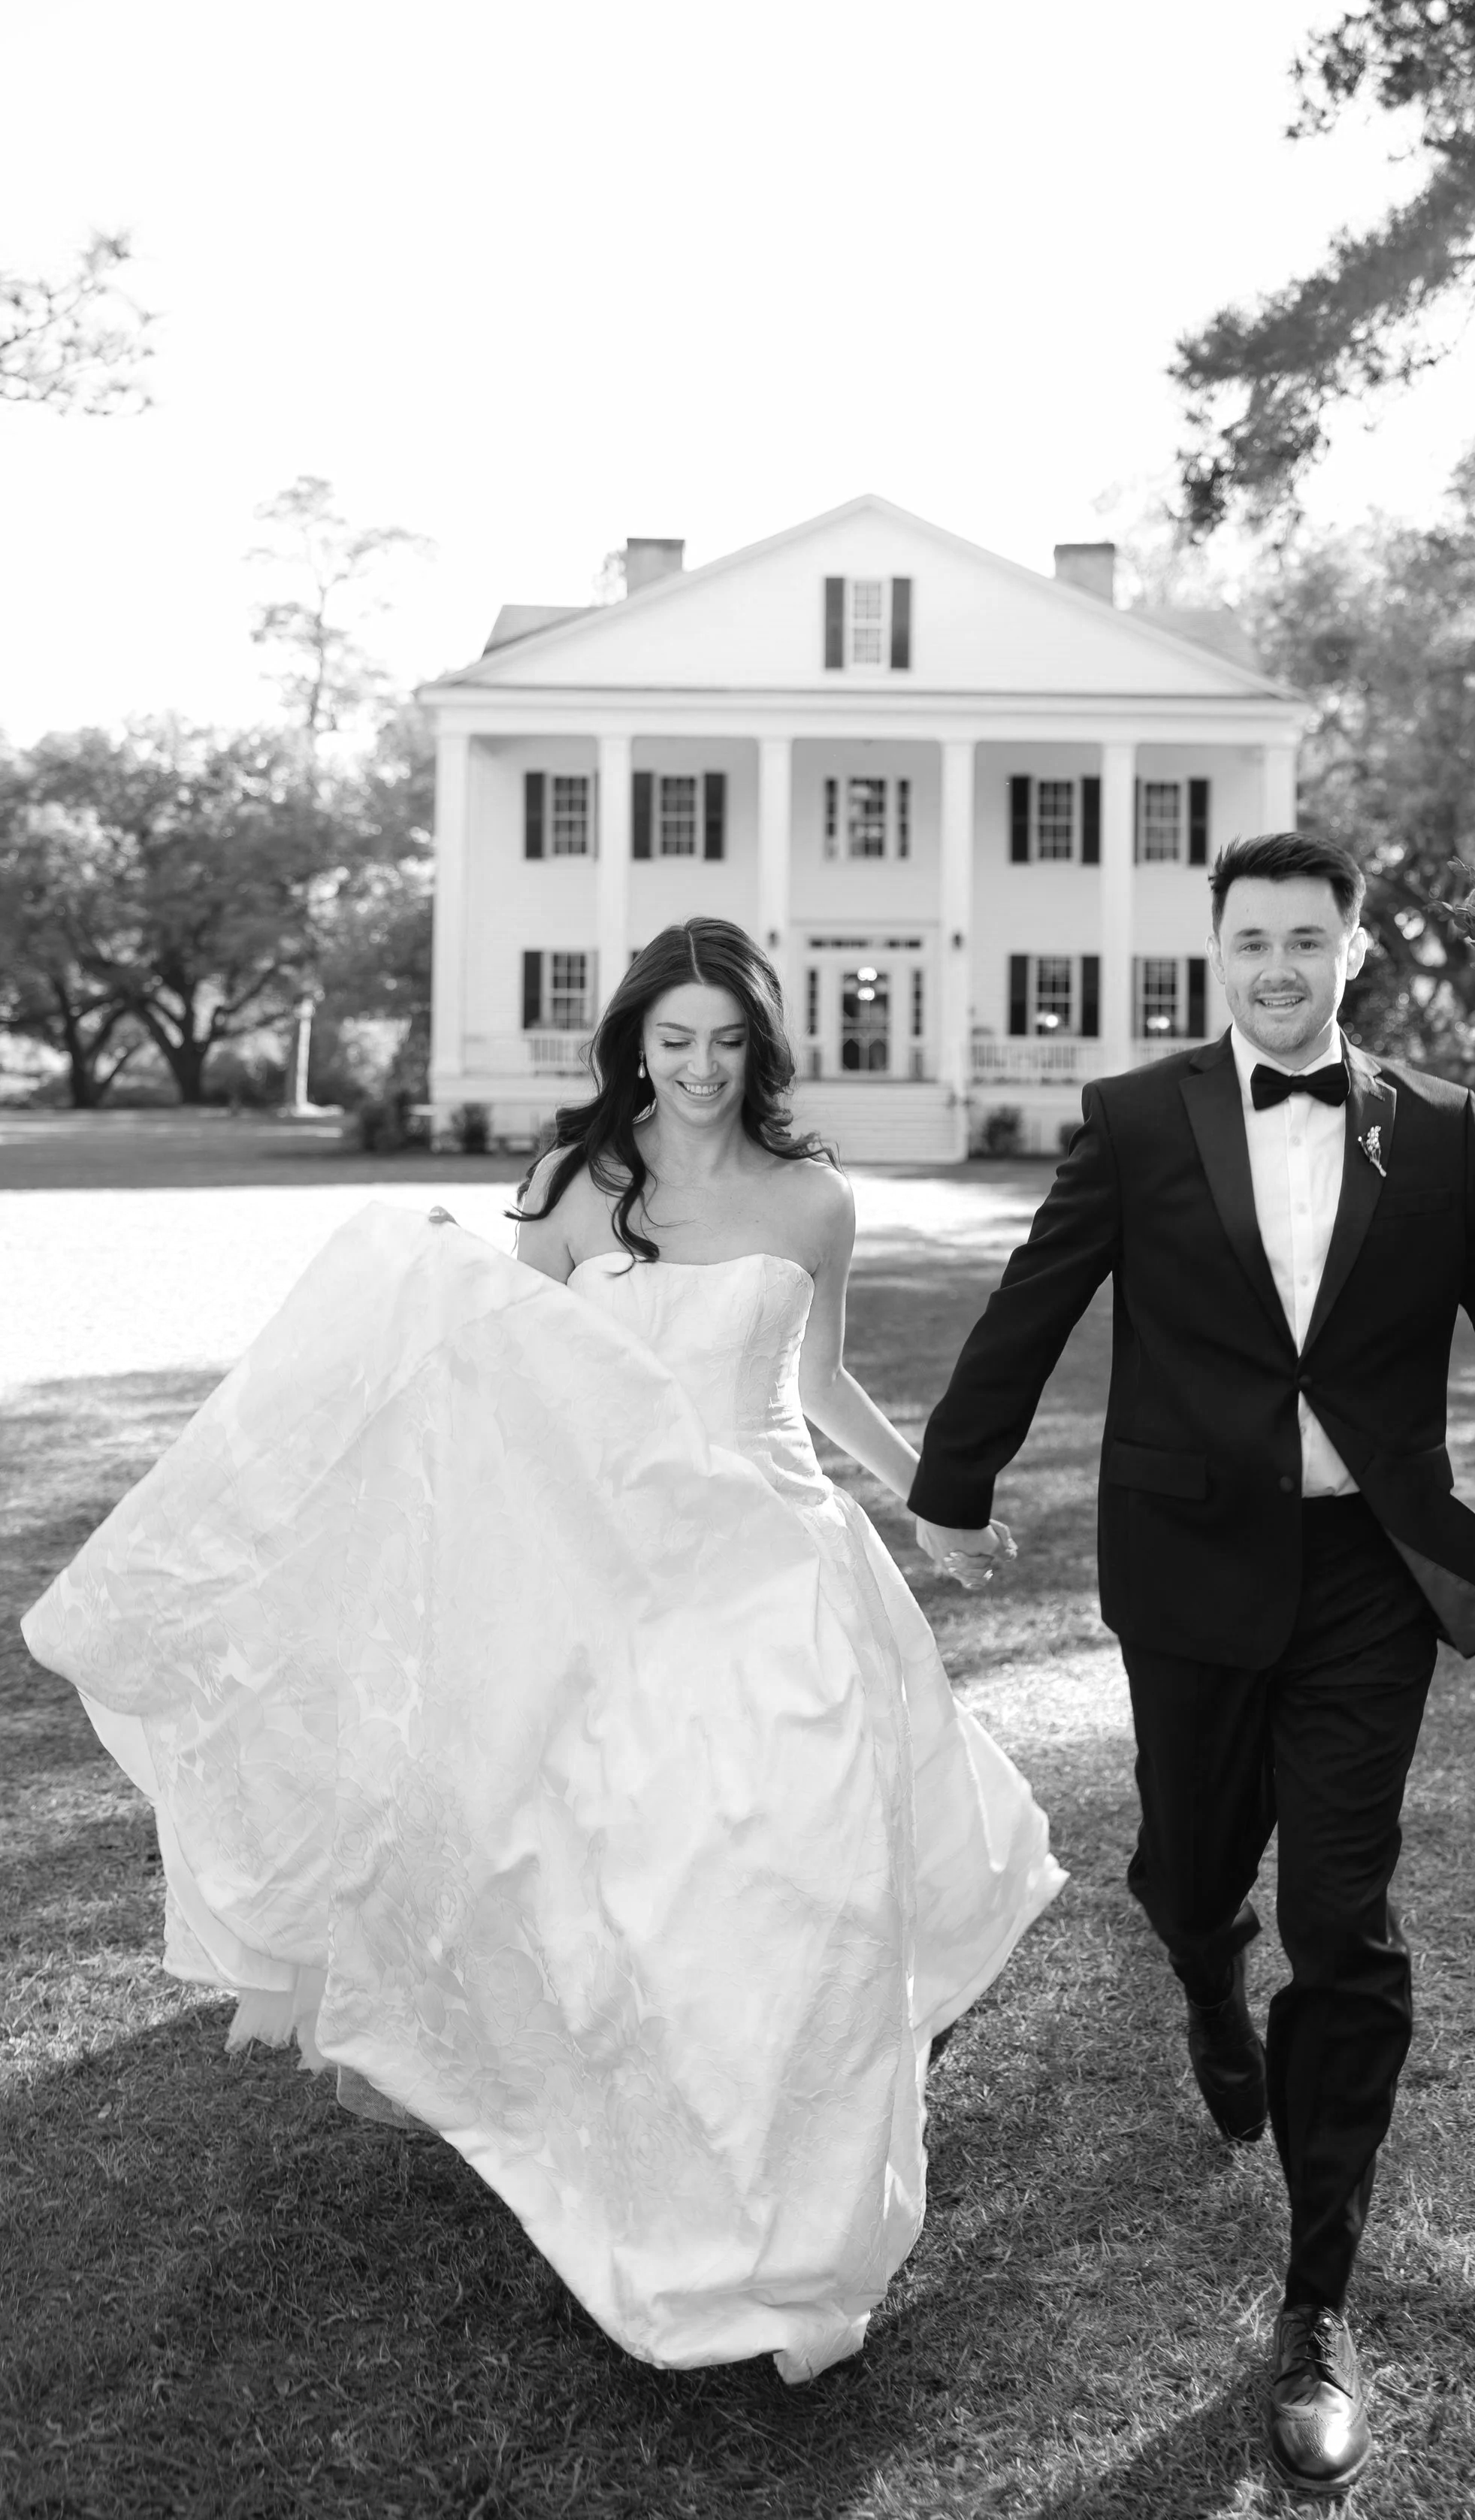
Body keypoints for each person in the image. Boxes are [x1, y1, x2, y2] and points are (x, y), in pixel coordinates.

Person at [23, 918, 1062, 2385]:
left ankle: (808, 2201)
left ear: (758, 1050)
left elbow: (816, 1377)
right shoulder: (578, 1189)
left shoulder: (812, 1197)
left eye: (724, 1042)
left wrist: (934, 1502)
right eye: (672, 1039)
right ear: (633, 1042)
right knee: (645, 1888)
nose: (698, 1070)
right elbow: (505, 1376)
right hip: (617, 1576)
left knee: (816, 1879)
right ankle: (679, 2167)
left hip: (780, 1567)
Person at [908, 831, 1475, 2494]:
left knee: (1345, 1917)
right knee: (1185, 1873)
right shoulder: (1138, 1115)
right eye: (1250, 943)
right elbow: (1037, 1296)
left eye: (1306, 941)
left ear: (1350, 951)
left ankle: (1315, 2303)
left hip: (1365, 1580)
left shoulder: (1439, 1126)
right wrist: (953, 1485)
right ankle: (1199, 1980)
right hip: (1185, 1570)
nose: (1277, 968)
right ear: (1214, 951)